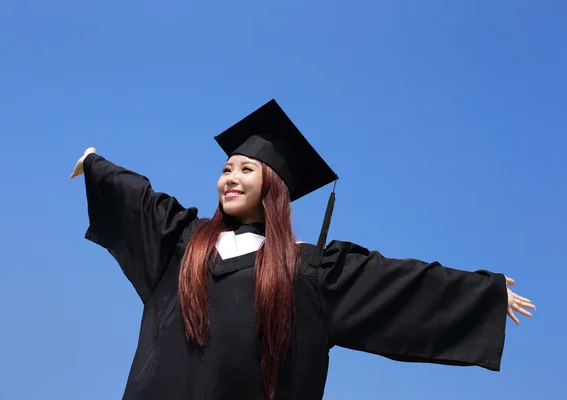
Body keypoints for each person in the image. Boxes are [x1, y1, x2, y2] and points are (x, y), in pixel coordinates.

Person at [70, 99, 535, 400]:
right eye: (227, 168)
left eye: (246, 169)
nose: (230, 178)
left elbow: (394, 285)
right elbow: (142, 201)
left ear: (272, 184)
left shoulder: (307, 272)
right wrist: (95, 164)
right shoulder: (183, 246)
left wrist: (483, 296)